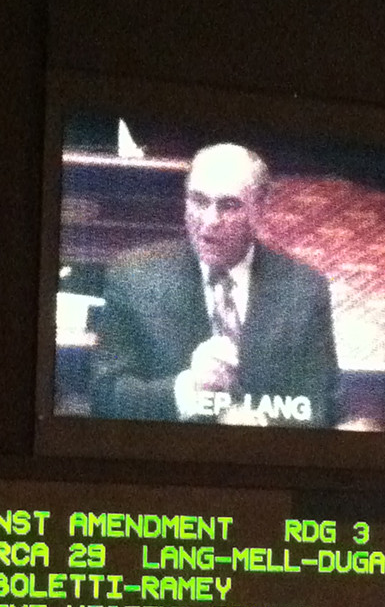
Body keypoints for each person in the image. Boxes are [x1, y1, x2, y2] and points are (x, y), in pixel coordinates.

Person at [90, 143, 339, 426]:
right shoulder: (135, 278)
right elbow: (105, 397)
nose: (209, 222)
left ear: (259, 207)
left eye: (229, 205)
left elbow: (323, 406)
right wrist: (188, 388)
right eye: (198, 201)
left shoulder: (303, 289)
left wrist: (263, 426)